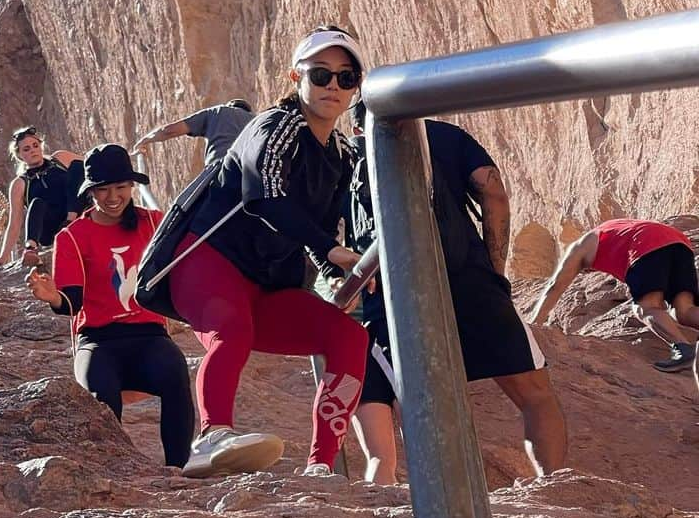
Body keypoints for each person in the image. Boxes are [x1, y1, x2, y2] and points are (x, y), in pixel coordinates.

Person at [168, 27, 369, 478]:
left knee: (349, 337)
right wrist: (330, 251)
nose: (332, 87)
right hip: (209, 258)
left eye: (345, 77)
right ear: (295, 77)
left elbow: (320, 228)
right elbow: (266, 196)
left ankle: (321, 464)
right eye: (320, 75)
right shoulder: (275, 125)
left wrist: (333, 271)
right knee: (231, 329)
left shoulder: (340, 153)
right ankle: (212, 435)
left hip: (267, 282)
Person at [344, 101, 568, 484]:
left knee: (420, 408)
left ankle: (438, 507)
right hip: (468, 278)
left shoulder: (352, 158)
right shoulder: (444, 135)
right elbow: (492, 191)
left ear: (359, 127)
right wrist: (494, 269)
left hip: (397, 294)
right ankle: (554, 483)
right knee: (534, 392)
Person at [26, 144, 194, 467]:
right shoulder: (72, 237)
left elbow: (188, 264)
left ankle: (178, 469)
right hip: (98, 341)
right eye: (103, 190)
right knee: (101, 394)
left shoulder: (155, 224)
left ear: (132, 187)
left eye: (120, 187)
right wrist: (52, 297)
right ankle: (115, 473)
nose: (113, 197)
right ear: (90, 192)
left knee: (175, 370)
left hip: (149, 336)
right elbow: (71, 303)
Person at [531, 219, 699, 373]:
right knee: (683, 310)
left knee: (646, 307)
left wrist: (534, 323)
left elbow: (556, 286)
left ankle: (683, 348)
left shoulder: (580, 246)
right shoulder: (615, 229)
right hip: (679, 242)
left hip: (646, 243)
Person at [0, 127, 85, 266]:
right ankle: (31, 249)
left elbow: (92, 165)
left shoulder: (60, 159)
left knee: (78, 167)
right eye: (26, 149)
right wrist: (3, 257)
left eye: (35, 145)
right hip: (51, 228)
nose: (33, 150)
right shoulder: (20, 183)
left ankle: (70, 221)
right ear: (19, 155)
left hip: (74, 213)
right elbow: (14, 223)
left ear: (41, 146)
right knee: (37, 203)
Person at [131, 99, 254, 169]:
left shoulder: (218, 111)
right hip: (251, 177)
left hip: (219, 170)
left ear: (230, 105)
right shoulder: (256, 120)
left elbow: (169, 131)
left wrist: (145, 140)